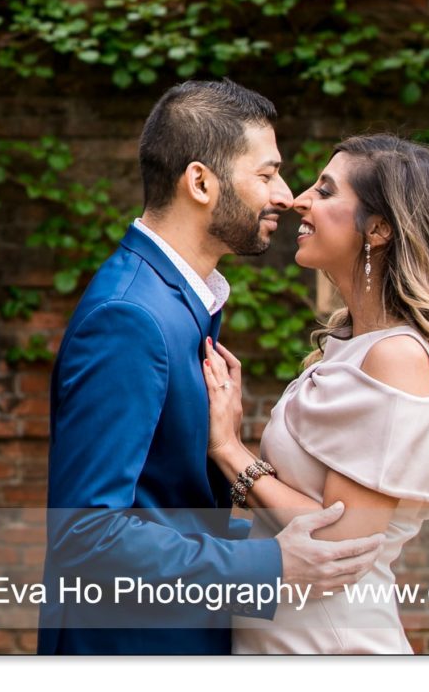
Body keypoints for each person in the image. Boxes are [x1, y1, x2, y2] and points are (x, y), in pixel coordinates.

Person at [40, 80, 386, 655]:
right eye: (266, 173)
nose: (285, 195)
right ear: (200, 182)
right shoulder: (130, 316)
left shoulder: (177, 300)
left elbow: (165, 504)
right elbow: (85, 534)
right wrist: (267, 565)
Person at [205, 134, 429, 654]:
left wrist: (230, 452)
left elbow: (343, 541)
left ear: (380, 229)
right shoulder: (353, 344)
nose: (299, 199)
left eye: (325, 191)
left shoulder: (399, 358)